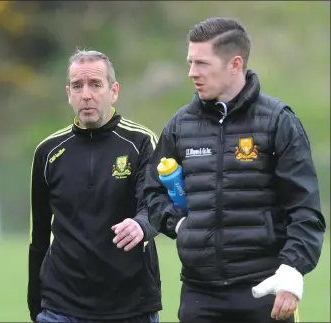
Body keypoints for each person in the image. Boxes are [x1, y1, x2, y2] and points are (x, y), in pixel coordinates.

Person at [143, 17, 326, 323]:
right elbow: (152, 192)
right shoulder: (179, 126)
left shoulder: (278, 121)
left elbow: (305, 210)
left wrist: (292, 270)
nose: (191, 72)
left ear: (234, 64)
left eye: (202, 63)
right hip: (199, 294)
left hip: (265, 290)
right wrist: (177, 225)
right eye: (190, 62)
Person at [28, 49, 162, 323]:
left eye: (95, 84)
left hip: (130, 305)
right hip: (60, 307)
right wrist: (35, 303)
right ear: (68, 93)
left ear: (113, 91)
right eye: (77, 86)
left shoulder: (141, 143)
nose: (86, 94)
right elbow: (39, 235)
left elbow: (156, 206)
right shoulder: (48, 152)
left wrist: (140, 225)